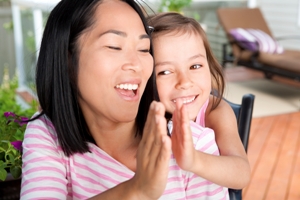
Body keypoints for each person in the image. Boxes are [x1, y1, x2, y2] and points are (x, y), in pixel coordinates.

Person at [20, 0, 225, 199]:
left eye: (144, 49)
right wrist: (136, 190)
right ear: (67, 61)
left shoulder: (194, 146)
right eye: (114, 46)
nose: (136, 64)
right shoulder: (46, 133)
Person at [148, 12, 251, 192]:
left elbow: (241, 174)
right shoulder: (143, 118)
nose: (185, 82)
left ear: (209, 67)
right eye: (165, 72)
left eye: (195, 66)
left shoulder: (214, 110)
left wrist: (193, 160)